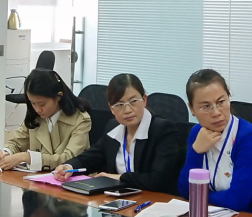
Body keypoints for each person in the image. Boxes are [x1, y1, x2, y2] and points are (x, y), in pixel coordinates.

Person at [176, 69, 252, 217]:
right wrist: (195, 152)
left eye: (221, 102)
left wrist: (198, 195)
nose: (216, 112)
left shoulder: (248, 138)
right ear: (192, 109)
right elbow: (184, 190)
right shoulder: (196, 133)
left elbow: (237, 200)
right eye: (205, 106)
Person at [53, 73, 182, 194]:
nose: (128, 110)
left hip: (153, 202)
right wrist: (68, 167)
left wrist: (118, 177)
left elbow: (157, 180)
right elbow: (90, 159)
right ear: (111, 109)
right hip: (118, 200)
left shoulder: (163, 130)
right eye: (119, 104)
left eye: (133, 101)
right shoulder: (113, 128)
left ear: (144, 100)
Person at [0, 69, 91, 172]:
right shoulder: (35, 117)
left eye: (42, 104)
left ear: (59, 96)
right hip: (37, 177)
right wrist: (6, 152)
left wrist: (27, 157)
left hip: (71, 179)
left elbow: (68, 160)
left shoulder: (80, 120)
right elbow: (17, 142)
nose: (37, 109)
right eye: (32, 103)